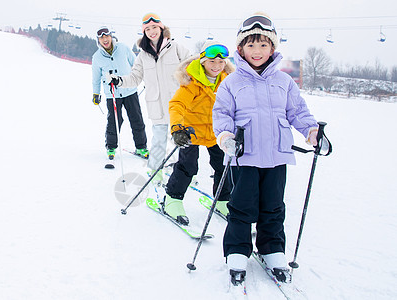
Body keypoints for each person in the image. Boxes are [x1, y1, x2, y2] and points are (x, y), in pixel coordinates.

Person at [212, 13, 320, 285]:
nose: (257, 51)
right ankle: (237, 250)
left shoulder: (283, 82)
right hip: (244, 156)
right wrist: (225, 136)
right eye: (251, 45)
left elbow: (297, 111)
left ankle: (272, 249)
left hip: (276, 156)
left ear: (272, 48)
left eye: (263, 45)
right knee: (241, 207)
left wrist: (311, 131)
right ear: (240, 49)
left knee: (273, 207)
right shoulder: (231, 82)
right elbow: (222, 114)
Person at [107, 13, 190, 182]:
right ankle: (155, 171)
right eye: (148, 29)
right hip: (156, 105)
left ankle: (182, 172)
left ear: (161, 28)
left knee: (180, 142)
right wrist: (119, 81)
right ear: (144, 32)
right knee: (159, 141)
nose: (152, 32)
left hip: (178, 105)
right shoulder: (143, 55)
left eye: (154, 27)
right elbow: (135, 77)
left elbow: (192, 67)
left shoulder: (176, 48)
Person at [164, 41, 235, 225]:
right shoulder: (192, 82)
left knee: (223, 166)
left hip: (216, 133)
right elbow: (176, 105)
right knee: (188, 166)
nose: (217, 66)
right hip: (191, 132)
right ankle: (173, 199)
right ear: (203, 61)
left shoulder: (227, 82)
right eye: (212, 61)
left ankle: (222, 200)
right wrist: (177, 129)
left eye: (221, 62)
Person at [92, 26, 149, 160]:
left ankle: (141, 147)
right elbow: (96, 78)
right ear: (98, 41)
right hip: (112, 94)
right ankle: (111, 147)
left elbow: (136, 66)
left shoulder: (123, 48)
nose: (105, 40)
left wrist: (145, 80)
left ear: (111, 37)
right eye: (101, 38)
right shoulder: (97, 57)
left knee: (136, 119)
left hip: (129, 90)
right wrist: (96, 94)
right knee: (114, 120)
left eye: (107, 36)